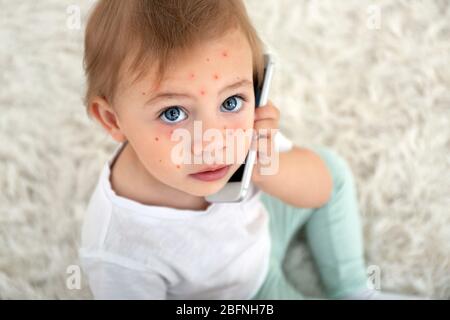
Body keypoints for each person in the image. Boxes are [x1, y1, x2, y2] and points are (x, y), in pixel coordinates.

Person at [79, 0, 420, 300]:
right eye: (173, 113)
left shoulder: (245, 138)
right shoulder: (119, 250)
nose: (215, 143)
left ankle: (353, 288)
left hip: (265, 228)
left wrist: (264, 166)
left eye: (230, 101)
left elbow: (322, 190)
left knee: (331, 170)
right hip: (245, 292)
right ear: (112, 119)